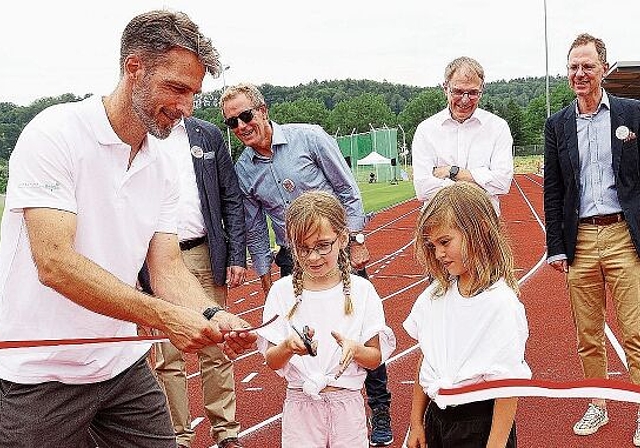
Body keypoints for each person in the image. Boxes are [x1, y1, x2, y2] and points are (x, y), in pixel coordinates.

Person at [0, 10, 256, 448]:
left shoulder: (162, 163)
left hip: (122, 366)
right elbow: (55, 263)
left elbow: (168, 268)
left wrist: (211, 315)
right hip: (39, 373)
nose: (185, 108)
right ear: (132, 66)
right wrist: (164, 316)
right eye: (176, 88)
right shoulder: (54, 134)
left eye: (193, 93)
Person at [220, 82, 395, 446]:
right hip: (292, 255)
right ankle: (308, 395)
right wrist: (264, 271)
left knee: (359, 327)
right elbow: (254, 224)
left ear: (263, 110)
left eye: (246, 116)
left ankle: (379, 408)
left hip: (337, 246)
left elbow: (346, 188)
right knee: (300, 332)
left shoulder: (309, 138)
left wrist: (358, 240)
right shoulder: (244, 170)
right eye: (232, 123)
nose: (241, 127)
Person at [544, 33, 640, 445]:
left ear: (603, 68)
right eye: (573, 67)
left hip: (623, 235)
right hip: (580, 239)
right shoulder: (558, 124)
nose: (579, 74)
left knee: (636, 333)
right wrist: (556, 245)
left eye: (587, 66)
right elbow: (553, 188)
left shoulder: (632, 114)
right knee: (589, 336)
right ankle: (597, 405)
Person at [256, 191, 396, 447]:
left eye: (322, 246)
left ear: (342, 238)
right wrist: (288, 346)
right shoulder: (281, 292)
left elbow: (375, 358)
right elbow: (272, 361)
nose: (312, 257)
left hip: (347, 405)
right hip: (300, 406)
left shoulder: (361, 291)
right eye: (303, 248)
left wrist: (355, 350)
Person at [140, 115, 247, 448]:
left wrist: (236, 255)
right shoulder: (138, 134)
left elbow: (231, 198)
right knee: (168, 357)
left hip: (204, 250)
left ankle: (226, 432)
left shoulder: (208, 134)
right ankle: (179, 436)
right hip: (156, 255)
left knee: (216, 346)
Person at [403, 182, 531, 448]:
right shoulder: (435, 296)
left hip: (479, 426)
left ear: (481, 229)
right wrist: (416, 422)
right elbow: (427, 358)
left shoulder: (501, 304)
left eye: (445, 242)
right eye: (432, 245)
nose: (438, 254)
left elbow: (508, 385)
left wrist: (495, 444)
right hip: (437, 419)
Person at [411, 56, 514, 214]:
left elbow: (502, 183)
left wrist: (452, 172)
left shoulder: (498, 127)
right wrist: (479, 179)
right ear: (445, 88)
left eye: (473, 93)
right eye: (458, 91)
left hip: (483, 223)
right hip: (440, 225)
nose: (465, 100)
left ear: (482, 90)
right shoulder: (426, 130)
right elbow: (423, 188)